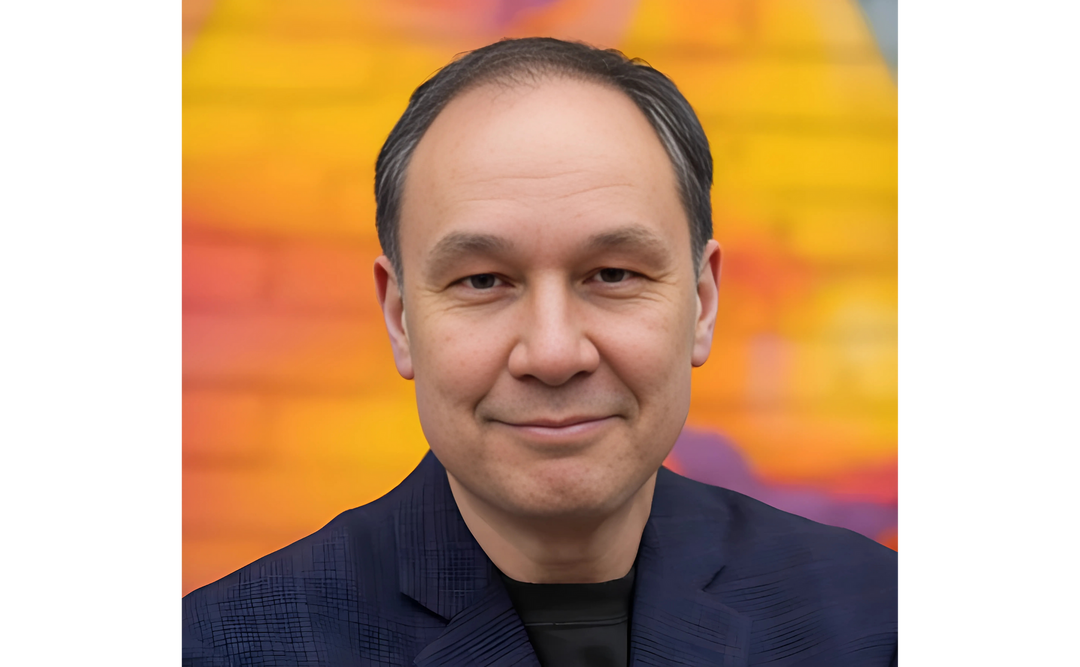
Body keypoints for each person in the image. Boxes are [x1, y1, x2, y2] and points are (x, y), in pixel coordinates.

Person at [178, 38, 901, 666]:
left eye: (613, 274)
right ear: (400, 317)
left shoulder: (875, 622)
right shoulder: (224, 645)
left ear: (703, 303)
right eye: (484, 280)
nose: (553, 353)